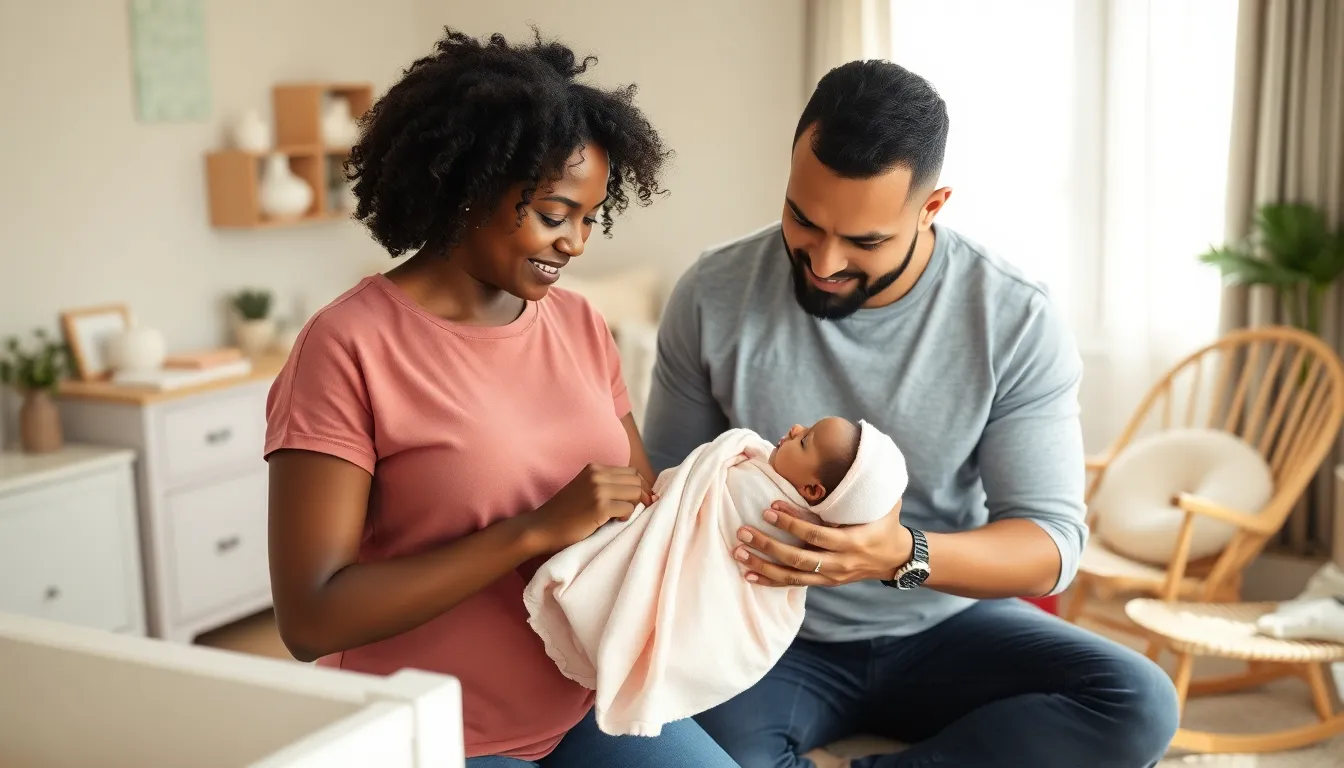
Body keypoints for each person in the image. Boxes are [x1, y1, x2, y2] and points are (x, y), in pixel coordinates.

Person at [642, 59, 1181, 768]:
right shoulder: (714, 293)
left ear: (932, 207)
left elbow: (1051, 546)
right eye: (803, 220)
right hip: (770, 635)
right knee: (662, 741)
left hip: (946, 626)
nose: (824, 261)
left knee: (1137, 703)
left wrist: (900, 554)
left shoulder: (1012, 317)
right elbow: (666, 493)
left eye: (865, 241)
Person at [262, 28, 737, 768]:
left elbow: (630, 506)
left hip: (591, 704)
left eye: (589, 216)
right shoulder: (347, 346)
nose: (577, 243)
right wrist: (530, 532)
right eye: (555, 215)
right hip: (439, 732)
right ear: (470, 187)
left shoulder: (579, 323)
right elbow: (310, 618)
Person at [523, 417, 905, 741]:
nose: (794, 428)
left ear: (811, 491)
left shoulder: (774, 506)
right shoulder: (762, 468)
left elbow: (704, 505)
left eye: (804, 441)